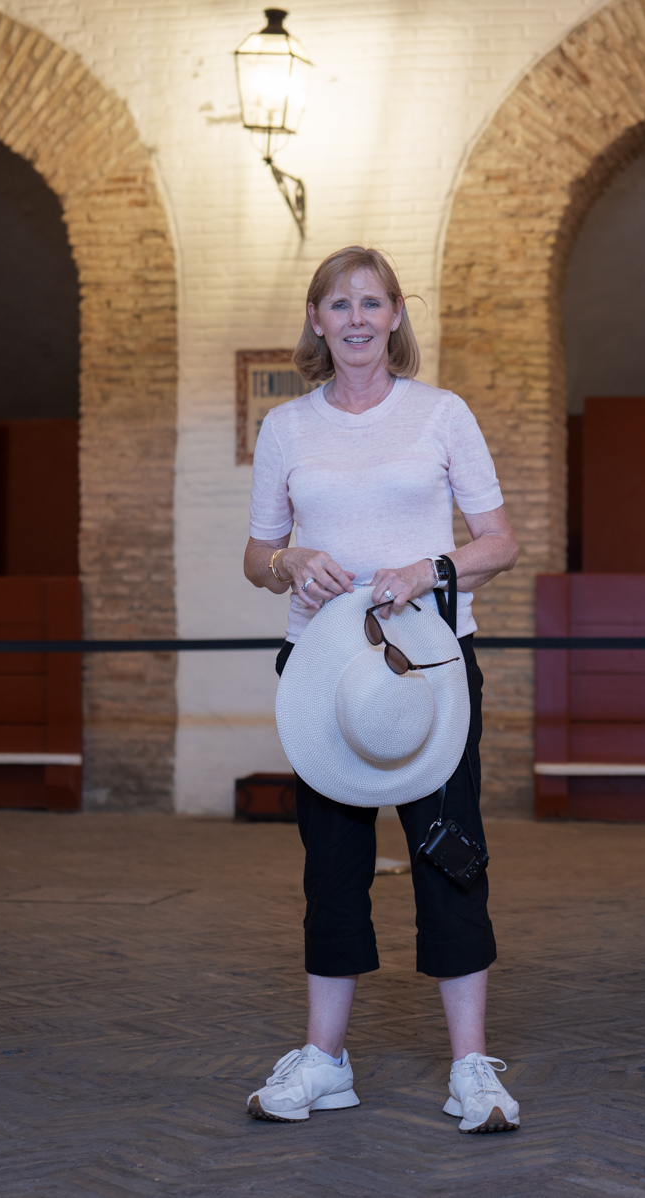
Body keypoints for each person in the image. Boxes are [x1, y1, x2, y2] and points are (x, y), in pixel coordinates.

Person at [242, 246, 522, 1133]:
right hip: (324, 674)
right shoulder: (286, 428)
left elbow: (500, 542)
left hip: (429, 669)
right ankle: (325, 1062)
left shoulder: (441, 413)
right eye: (339, 304)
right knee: (331, 866)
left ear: (396, 315)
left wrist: (428, 568)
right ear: (316, 321)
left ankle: (471, 1069)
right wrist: (289, 561)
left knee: (450, 851)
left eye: (371, 302)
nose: (356, 318)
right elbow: (256, 557)